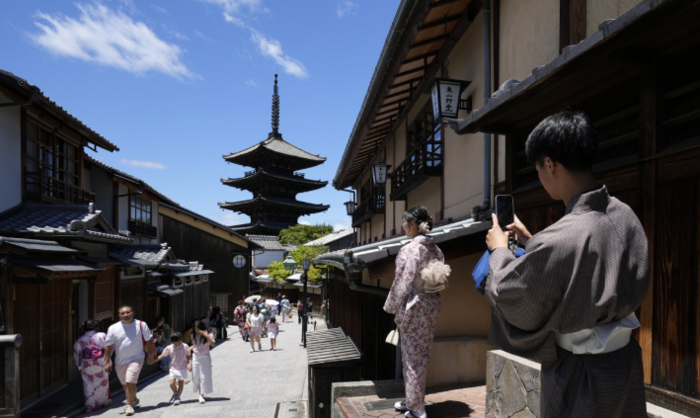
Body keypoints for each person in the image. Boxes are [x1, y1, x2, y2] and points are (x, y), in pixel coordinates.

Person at [484, 111, 650, 418]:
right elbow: (584, 261)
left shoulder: (564, 236)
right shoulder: (625, 214)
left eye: (538, 168)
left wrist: (499, 250)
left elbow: (508, 289)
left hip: (580, 372)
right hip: (624, 363)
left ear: (550, 164)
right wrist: (532, 240)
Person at [384, 206, 443, 418]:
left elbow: (403, 281)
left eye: (404, 222)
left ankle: (417, 409)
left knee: (412, 358)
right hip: (430, 305)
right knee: (420, 355)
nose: (403, 226)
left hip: (415, 306)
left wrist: (391, 306)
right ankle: (412, 400)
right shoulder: (436, 249)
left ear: (413, 225)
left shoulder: (411, 249)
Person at [104, 305, 153, 416]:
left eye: (128, 312)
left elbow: (149, 341)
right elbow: (108, 346)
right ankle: (133, 399)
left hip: (137, 357)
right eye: (123, 313)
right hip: (120, 361)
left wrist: (150, 354)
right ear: (119, 315)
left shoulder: (141, 325)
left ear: (133, 313)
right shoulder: (113, 328)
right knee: (125, 385)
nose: (126, 315)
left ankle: (129, 405)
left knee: (130, 382)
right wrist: (107, 361)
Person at [73, 319, 111, 412]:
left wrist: (79, 365)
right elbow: (109, 348)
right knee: (103, 382)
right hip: (101, 362)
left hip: (87, 364)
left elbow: (76, 353)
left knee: (88, 384)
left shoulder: (80, 340)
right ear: (96, 327)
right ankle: (104, 401)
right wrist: (108, 361)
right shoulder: (102, 335)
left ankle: (90, 405)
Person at [151, 333, 191, 406]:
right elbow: (162, 355)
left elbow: (188, 355)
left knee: (181, 383)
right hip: (173, 367)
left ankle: (178, 397)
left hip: (182, 367)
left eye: (177, 342)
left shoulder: (185, 346)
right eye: (173, 343)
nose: (175, 344)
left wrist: (190, 364)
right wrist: (154, 361)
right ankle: (176, 393)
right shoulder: (169, 347)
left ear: (180, 339)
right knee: (171, 383)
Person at [190, 320, 216, 404]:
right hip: (195, 356)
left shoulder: (209, 334)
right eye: (195, 329)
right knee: (195, 376)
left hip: (205, 356)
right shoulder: (193, 335)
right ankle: (200, 392)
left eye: (198, 329)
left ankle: (201, 394)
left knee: (204, 376)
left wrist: (206, 335)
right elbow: (195, 345)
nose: (197, 331)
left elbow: (213, 344)